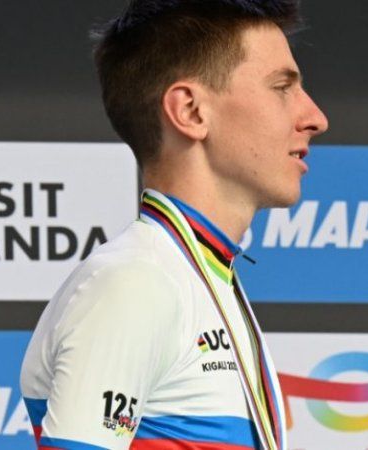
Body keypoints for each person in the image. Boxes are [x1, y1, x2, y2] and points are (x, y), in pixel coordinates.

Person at [20, 0, 328, 448]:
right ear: (191, 111)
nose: (315, 118)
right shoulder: (138, 281)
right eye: (282, 87)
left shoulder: (197, 274)